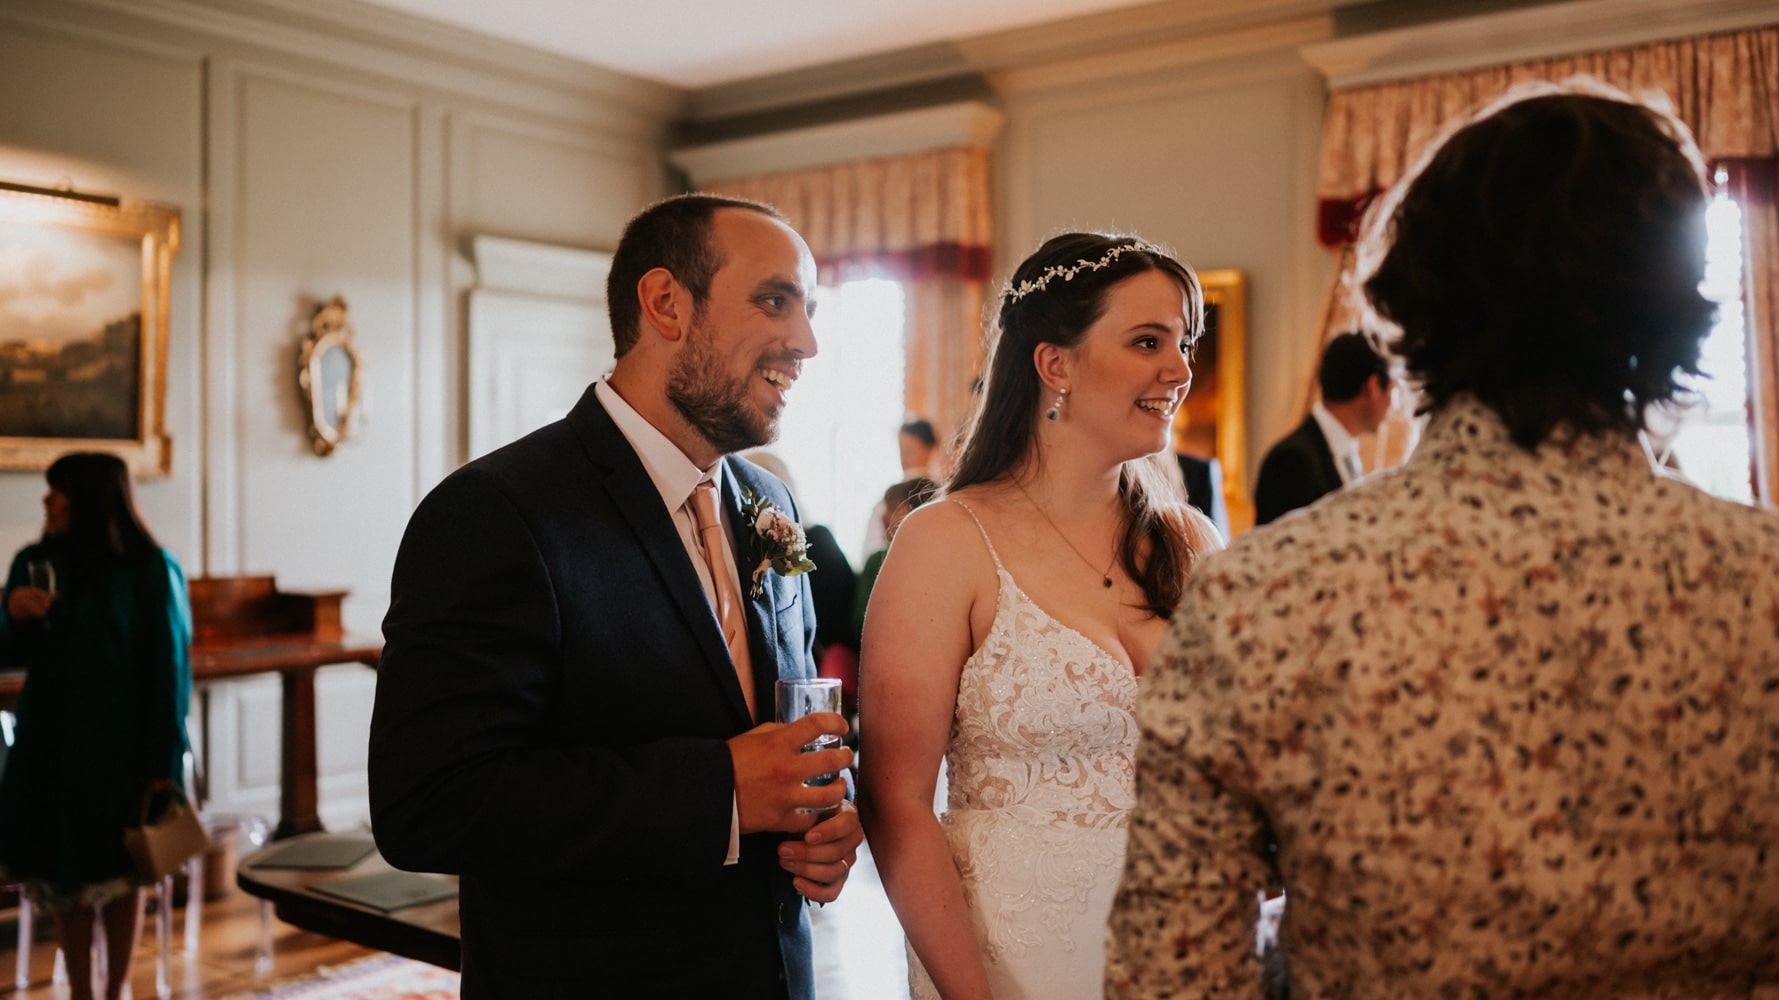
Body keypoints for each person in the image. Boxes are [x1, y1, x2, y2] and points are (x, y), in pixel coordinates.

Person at [1106, 84, 1779, 998]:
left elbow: (1170, 977)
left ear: (1409, 303)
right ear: (1671, 310)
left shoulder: (1265, 596)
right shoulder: (1763, 584)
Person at [369, 193, 863, 1000]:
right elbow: (430, 803)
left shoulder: (767, 505)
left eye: (807, 309)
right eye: (775, 300)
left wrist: (818, 823)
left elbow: (769, 737)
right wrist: (717, 794)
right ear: (666, 303)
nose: (805, 341)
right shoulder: (498, 511)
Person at [859, 232, 1222, 1000]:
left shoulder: (1189, 542)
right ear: (1054, 363)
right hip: (1014, 962)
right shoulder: (946, 542)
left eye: (1183, 343)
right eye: (1148, 340)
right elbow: (895, 804)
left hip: (1186, 955)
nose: (1180, 369)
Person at [0, 452, 192, 1000]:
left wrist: (162, 762)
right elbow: (8, 653)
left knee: (123, 874)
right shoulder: (35, 562)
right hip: (50, 749)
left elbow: (170, 668)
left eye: (55, 491)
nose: (45, 501)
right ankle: (82, 994)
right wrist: (11, 615)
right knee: (67, 880)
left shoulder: (151, 570)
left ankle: (115, 992)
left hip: (122, 753)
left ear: (84, 499)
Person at [1251, 330, 1393, 525]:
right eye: (1395, 389)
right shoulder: (1290, 461)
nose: (1395, 405)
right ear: (1373, 386)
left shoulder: (1347, 453)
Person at [848, 475, 938, 647]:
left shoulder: (879, 560)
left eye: (892, 507)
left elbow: (859, 625)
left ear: (916, 512)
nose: (884, 516)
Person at [862, 417, 941, 555]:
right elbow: (872, 545)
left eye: (908, 450)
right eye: (901, 449)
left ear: (929, 448)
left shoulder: (940, 494)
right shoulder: (889, 496)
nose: (903, 457)